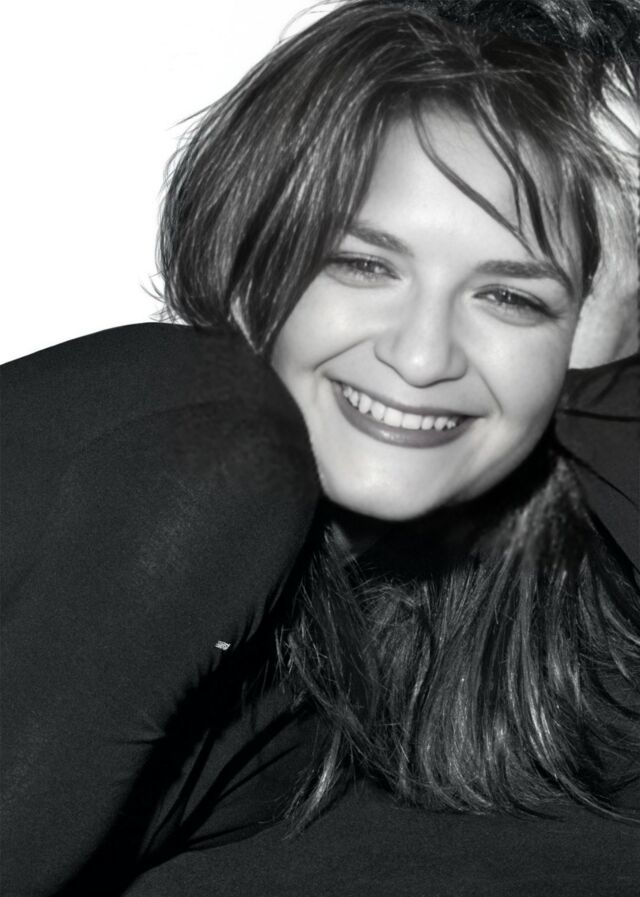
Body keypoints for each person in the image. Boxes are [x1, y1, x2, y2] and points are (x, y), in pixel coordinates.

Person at [1, 1, 638, 895]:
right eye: (365, 264)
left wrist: (618, 318)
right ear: (253, 259)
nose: (422, 355)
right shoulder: (188, 449)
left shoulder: (472, 642)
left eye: (513, 298)